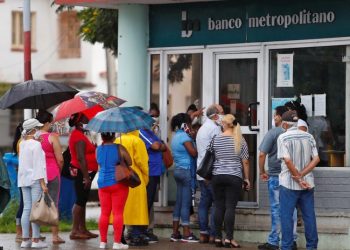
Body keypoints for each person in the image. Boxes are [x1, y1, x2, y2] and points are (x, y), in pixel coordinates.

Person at [277, 110, 320, 250]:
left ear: (284, 124)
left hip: (288, 184)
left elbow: (288, 161)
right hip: (308, 183)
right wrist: (302, 175)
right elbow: (316, 159)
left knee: (286, 217)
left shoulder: (283, 137)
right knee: (309, 216)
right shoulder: (309, 137)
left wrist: (297, 177)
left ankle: (287, 247)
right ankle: (312, 247)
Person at [258, 106, 298, 250]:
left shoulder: (274, 132)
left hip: (275, 176)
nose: (274, 118)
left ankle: (274, 241)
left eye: (275, 115)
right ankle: (291, 240)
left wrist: (262, 171)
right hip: (292, 176)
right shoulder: (297, 133)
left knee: (276, 209)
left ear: (281, 117)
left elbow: (262, 154)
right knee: (291, 209)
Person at [211, 114, 250, 248]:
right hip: (234, 176)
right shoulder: (240, 139)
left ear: (224, 124)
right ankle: (228, 239)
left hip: (217, 176)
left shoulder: (215, 139)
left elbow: (210, 156)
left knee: (218, 206)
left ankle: (217, 238)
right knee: (230, 207)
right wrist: (246, 179)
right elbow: (245, 162)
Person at [115, 131, 149, 247]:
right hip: (134, 178)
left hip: (120, 177)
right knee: (137, 209)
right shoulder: (137, 141)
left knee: (121, 209)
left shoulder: (117, 141)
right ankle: (136, 235)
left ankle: (120, 236)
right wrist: (145, 177)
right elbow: (142, 162)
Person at [18, 118, 48, 248]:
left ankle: (25, 240)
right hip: (36, 180)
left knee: (26, 209)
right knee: (35, 210)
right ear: (34, 130)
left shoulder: (22, 143)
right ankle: (36, 240)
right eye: (38, 128)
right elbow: (39, 165)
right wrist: (43, 184)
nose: (39, 131)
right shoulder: (36, 145)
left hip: (24, 180)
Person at [97, 132, 131, 250]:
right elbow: (129, 162)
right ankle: (117, 243)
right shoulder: (119, 147)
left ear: (102, 137)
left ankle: (103, 242)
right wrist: (121, 149)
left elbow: (100, 163)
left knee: (104, 213)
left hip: (102, 183)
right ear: (114, 136)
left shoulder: (98, 149)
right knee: (118, 213)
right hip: (118, 182)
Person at [195, 104, 224, 244]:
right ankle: (213, 234)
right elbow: (219, 150)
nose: (223, 116)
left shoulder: (202, 128)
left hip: (201, 171)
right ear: (216, 116)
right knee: (216, 203)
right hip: (211, 172)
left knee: (204, 203)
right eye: (222, 113)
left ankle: (203, 233)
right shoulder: (214, 129)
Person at [36, 110, 65, 244]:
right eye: (51, 122)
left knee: (34, 204)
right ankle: (55, 236)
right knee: (53, 204)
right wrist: (59, 171)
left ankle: (35, 235)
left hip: (36, 174)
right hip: (52, 173)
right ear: (47, 122)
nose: (51, 124)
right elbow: (60, 159)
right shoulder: (52, 137)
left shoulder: (33, 137)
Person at [68, 113, 98, 240]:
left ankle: (83, 229)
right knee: (80, 200)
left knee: (83, 200)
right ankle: (75, 231)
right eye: (86, 119)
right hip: (82, 172)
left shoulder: (81, 135)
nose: (89, 121)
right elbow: (80, 158)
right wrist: (86, 177)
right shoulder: (78, 136)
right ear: (79, 122)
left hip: (85, 171)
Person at [170, 113, 199, 243]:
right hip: (186, 171)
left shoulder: (176, 136)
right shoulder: (184, 137)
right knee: (186, 202)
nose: (190, 125)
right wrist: (194, 141)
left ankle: (175, 232)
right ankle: (187, 233)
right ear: (185, 124)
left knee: (179, 202)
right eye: (189, 123)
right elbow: (193, 153)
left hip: (177, 171)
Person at [139, 128, 166, 243]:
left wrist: (160, 144)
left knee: (149, 202)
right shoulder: (141, 132)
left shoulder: (150, 132)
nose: (152, 123)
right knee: (146, 202)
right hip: (148, 172)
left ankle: (145, 230)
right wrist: (160, 145)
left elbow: (164, 146)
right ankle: (141, 231)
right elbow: (156, 146)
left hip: (155, 171)